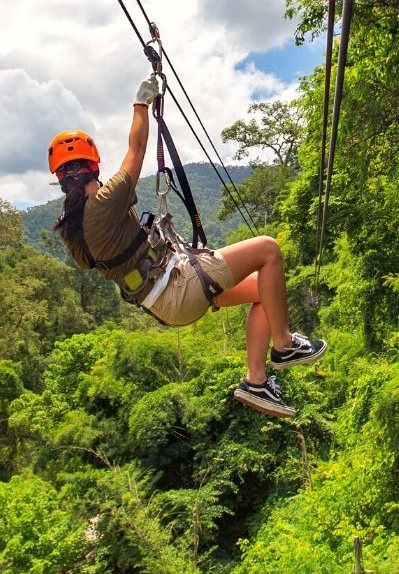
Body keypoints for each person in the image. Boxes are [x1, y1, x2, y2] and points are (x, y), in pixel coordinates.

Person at [48, 74, 326, 418]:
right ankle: (284, 347)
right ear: (94, 165)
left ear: (59, 177)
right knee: (268, 249)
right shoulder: (104, 202)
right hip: (178, 286)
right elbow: (136, 151)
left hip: (163, 300)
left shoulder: (71, 227)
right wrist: (141, 104)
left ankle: (257, 381)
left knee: (262, 294)